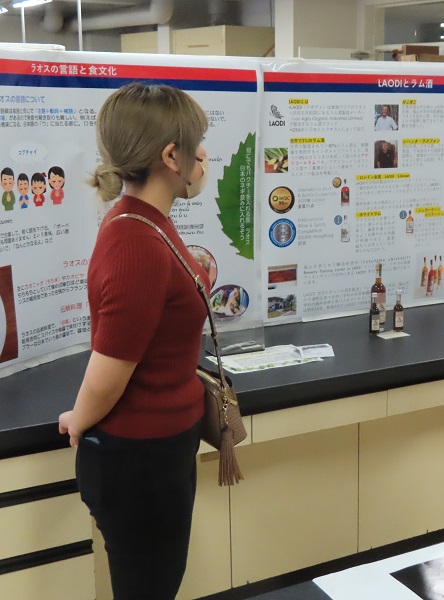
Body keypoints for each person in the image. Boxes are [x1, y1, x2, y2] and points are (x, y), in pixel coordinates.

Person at [58, 82, 210, 600]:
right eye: (196, 144)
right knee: (149, 589)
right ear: (171, 156)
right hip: (140, 460)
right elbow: (109, 369)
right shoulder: (136, 240)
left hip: (160, 450)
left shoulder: (146, 222)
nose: (203, 155)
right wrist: (79, 419)